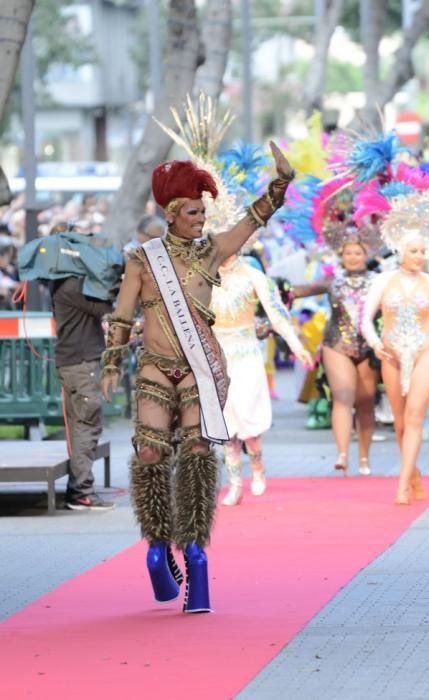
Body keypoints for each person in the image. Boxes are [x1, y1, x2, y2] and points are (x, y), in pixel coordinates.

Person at [101, 142, 295, 613]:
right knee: (149, 452)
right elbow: (123, 316)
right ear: (171, 213)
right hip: (152, 369)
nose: (200, 219)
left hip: (198, 370)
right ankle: (156, 544)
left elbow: (252, 220)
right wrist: (110, 363)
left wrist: (281, 183)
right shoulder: (143, 260)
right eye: (192, 211)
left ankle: (195, 552)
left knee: (196, 451)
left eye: (202, 211)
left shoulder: (212, 252)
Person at [360, 193, 429, 505]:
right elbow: (365, 319)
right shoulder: (383, 280)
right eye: (413, 251)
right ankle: (414, 475)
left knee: (416, 416)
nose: (419, 256)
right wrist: (377, 344)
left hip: (427, 350)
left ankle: (402, 485)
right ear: (401, 251)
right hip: (391, 354)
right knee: (401, 421)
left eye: (423, 251)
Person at [211, 254, 312, 506]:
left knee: (247, 416)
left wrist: (296, 345)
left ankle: (257, 464)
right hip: (216, 356)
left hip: (246, 355)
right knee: (224, 424)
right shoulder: (204, 273)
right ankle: (235, 484)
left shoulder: (253, 275)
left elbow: (277, 314)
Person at [294, 238, 378, 475]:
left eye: (357, 252)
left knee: (365, 401)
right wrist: (275, 289)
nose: (352, 257)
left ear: (365, 254)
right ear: (341, 256)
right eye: (348, 252)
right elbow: (303, 290)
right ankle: (342, 455)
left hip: (368, 347)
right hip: (336, 344)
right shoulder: (333, 281)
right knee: (343, 397)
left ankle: (364, 458)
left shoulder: (378, 282)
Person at [52, 275, 116, 511]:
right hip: (81, 363)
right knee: (86, 426)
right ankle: (82, 492)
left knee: (79, 424)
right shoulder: (72, 285)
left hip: (72, 362)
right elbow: (103, 307)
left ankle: (77, 488)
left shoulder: (59, 283)